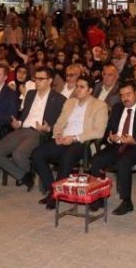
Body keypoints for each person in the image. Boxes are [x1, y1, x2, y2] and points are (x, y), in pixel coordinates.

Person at [31, 76, 108, 210]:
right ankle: (53, 189)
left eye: (82, 87)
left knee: (67, 157)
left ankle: (55, 195)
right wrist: (58, 134)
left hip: (83, 143)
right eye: (77, 86)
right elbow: (59, 123)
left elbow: (99, 132)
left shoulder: (99, 106)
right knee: (37, 154)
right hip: (64, 139)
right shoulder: (70, 102)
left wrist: (75, 138)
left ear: (90, 90)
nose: (78, 89)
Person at [0, 67, 66, 192]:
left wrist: (48, 128)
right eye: (36, 78)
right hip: (22, 129)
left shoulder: (59, 99)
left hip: (39, 133)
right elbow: (25, 115)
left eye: (41, 79)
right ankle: (25, 175)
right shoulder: (30, 94)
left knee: (18, 155)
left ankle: (27, 171)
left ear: (50, 81)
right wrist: (18, 123)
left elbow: (61, 122)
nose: (37, 81)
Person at [89, 80, 136, 215]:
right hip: (116, 145)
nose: (125, 98)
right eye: (122, 95)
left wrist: (135, 141)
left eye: (128, 94)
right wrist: (110, 138)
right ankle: (98, 197)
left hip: (135, 148)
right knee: (96, 159)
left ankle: (127, 201)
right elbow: (108, 132)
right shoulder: (117, 108)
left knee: (123, 162)